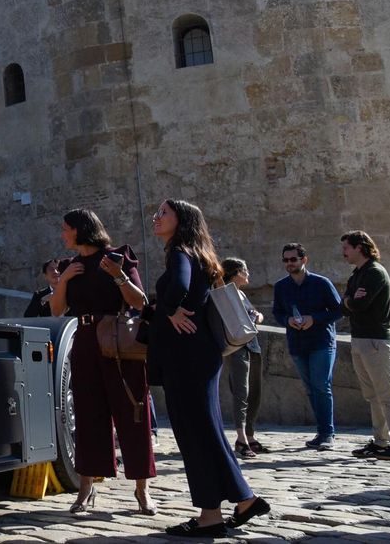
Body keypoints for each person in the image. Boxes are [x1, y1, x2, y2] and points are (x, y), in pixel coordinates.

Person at [147, 199, 266, 537]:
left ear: (182, 219)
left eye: (164, 212)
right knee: (204, 432)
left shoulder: (180, 252)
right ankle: (234, 505)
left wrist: (169, 308)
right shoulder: (197, 252)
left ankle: (222, 510)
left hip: (187, 358)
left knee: (196, 434)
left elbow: (182, 287)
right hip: (199, 356)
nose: (156, 217)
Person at [47, 209, 156, 516]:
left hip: (119, 341)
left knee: (132, 413)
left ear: (82, 229)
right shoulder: (70, 265)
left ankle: (142, 490)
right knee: (88, 416)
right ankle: (86, 487)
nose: (62, 234)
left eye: (66, 229)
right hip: (84, 341)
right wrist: (64, 280)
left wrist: (118, 276)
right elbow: (57, 310)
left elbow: (140, 302)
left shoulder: (119, 256)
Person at [340, 231, 390, 460]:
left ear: (359, 247)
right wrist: (350, 299)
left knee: (387, 394)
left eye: (346, 248)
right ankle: (381, 441)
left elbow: (360, 304)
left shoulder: (375, 273)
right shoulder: (357, 274)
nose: (344, 253)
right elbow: (345, 303)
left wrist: (351, 301)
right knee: (372, 395)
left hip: (376, 340)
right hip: (359, 338)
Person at [271, 242, 342, 449]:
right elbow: (277, 313)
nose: (289, 263)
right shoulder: (281, 286)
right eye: (285, 260)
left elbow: (338, 311)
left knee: (321, 385)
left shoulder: (321, 283)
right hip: (297, 342)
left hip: (321, 341)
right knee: (311, 388)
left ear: (304, 259)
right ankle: (321, 431)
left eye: (293, 259)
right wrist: (288, 321)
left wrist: (315, 319)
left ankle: (328, 433)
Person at [219, 258, 266, 458]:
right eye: (245, 270)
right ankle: (241, 439)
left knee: (255, 392)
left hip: (252, 344)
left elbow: (256, 315)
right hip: (237, 346)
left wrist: (257, 316)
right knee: (241, 393)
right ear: (237, 272)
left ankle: (250, 435)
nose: (248, 274)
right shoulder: (224, 294)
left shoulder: (241, 293)